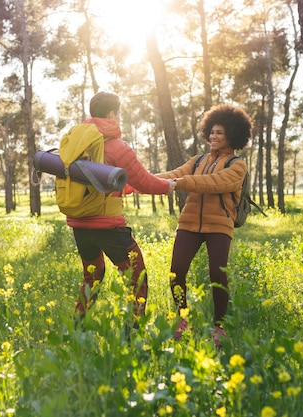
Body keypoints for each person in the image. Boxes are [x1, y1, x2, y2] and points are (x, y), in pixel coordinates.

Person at [68, 91, 176, 330]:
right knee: (137, 278)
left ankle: (77, 330)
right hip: (108, 226)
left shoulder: (78, 144)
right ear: (111, 114)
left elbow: (97, 182)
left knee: (92, 277)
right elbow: (146, 181)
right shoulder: (118, 147)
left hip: (79, 224)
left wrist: (126, 188)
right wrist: (168, 187)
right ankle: (132, 334)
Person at [156, 104, 252, 347]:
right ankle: (182, 319)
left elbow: (214, 183)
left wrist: (181, 183)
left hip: (219, 224)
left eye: (219, 133)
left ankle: (220, 326)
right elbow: (174, 174)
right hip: (189, 222)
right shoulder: (198, 160)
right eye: (211, 132)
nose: (213, 137)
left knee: (217, 275)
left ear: (232, 135)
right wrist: (143, 181)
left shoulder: (236, 165)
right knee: (176, 271)